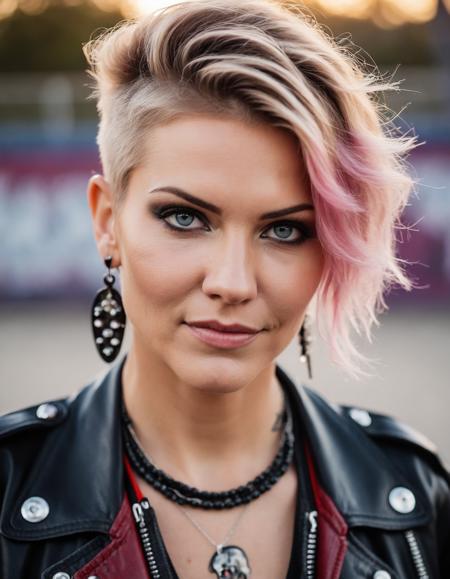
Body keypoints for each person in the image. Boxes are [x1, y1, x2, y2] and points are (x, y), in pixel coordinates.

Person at [1, 0, 449, 577]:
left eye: (286, 230)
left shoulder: (415, 496)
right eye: (185, 218)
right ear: (107, 221)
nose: (233, 283)